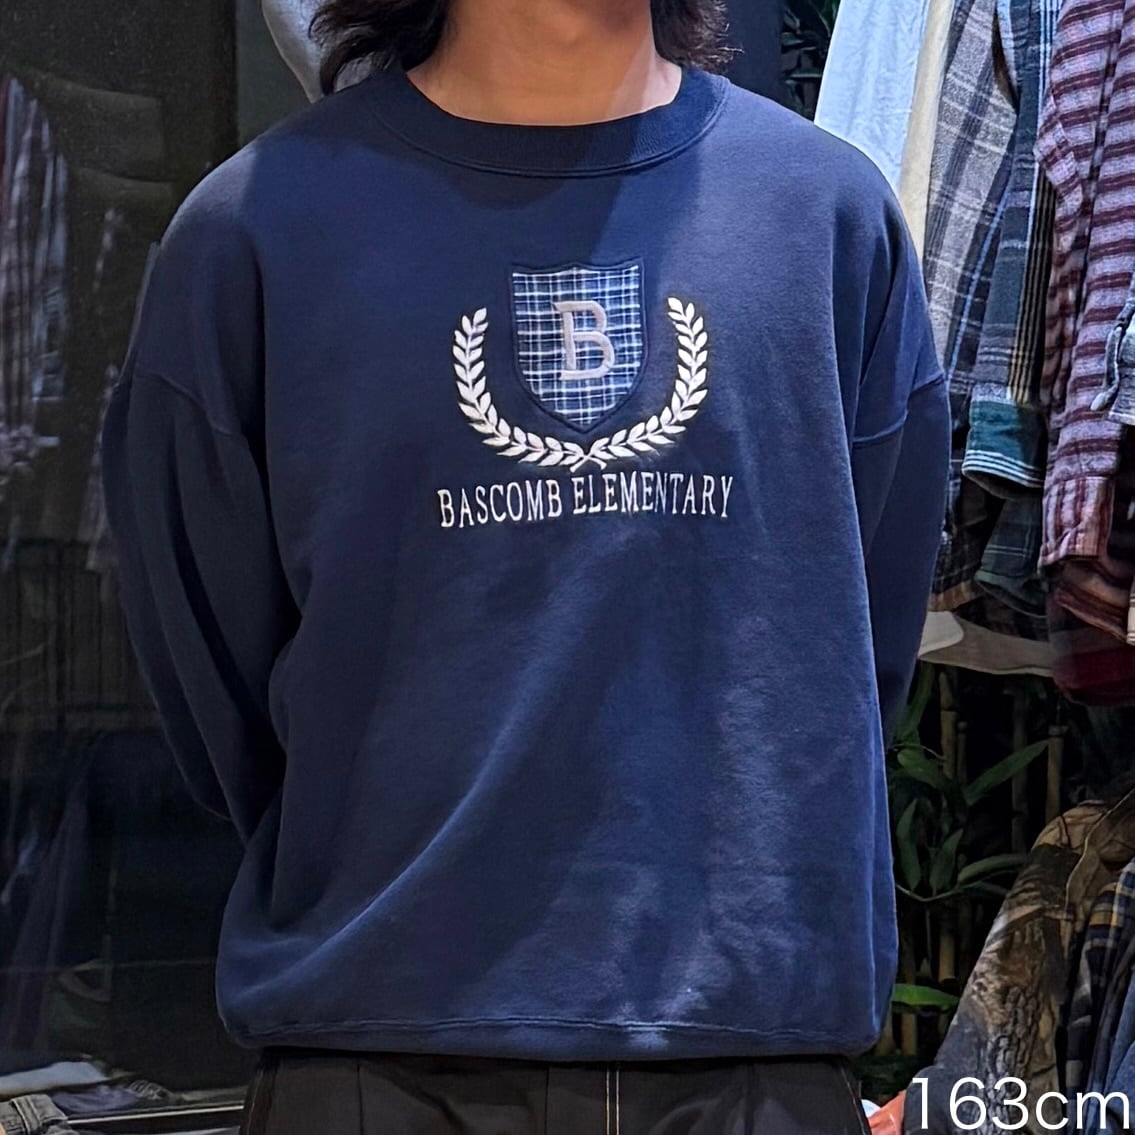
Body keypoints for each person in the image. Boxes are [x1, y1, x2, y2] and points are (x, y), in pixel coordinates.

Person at [100, 0, 950, 1131]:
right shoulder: (254, 233)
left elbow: (857, 640)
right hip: (374, 1053)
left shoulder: (828, 218)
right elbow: (211, 667)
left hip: (754, 1054)